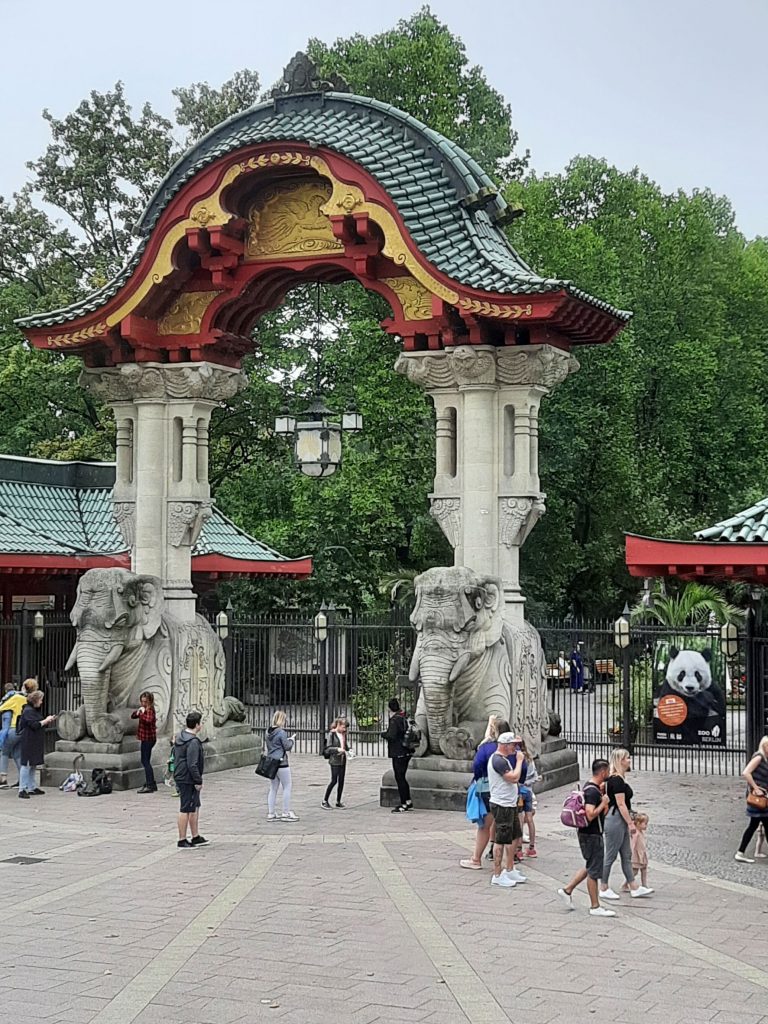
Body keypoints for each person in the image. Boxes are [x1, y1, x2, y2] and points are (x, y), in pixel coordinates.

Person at [557, 758, 616, 917]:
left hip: (589, 833)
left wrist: (603, 802)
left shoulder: (592, 788)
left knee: (591, 865)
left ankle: (567, 890)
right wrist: (603, 803)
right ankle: (595, 906)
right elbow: (590, 814)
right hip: (591, 834)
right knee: (593, 872)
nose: (609, 773)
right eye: (608, 771)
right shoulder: (592, 792)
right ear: (602, 772)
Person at [599, 749, 653, 900]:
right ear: (621, 760)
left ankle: (633, 886)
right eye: (627, 758)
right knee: (610, 855)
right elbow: (621, 804)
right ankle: (603, 886)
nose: (630, 760)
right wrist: (630, 823)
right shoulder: (616, 780)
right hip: (616, 819)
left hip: (619, 818)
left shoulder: (618, 778)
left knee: (626, 854)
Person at [460, 716, 509, 870]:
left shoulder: (487, 748)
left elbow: (477, 766)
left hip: (489, 789)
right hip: (510, 791)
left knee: (485, 826)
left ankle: (476, 859)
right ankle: (510, 864)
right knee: (506, 826)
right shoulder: (514, 748)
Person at [487, 732, 527, 888]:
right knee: (501, 839)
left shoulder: (503, 759)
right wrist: (519, 761)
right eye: (513, 745)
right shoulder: (498, 760)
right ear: (505, 745)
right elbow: (514, 777)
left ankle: (510, 868)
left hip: (510, 804)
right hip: (502, 804)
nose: (515, 748)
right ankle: (497, 874)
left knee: (515, 835)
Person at [173, 711, 208, 848]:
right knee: (186, 808)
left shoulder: (180, 737)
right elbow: (192, 764)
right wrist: (198, 780)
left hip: (182, 775)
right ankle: (182, 839)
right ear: (197, 725)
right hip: (187, 778)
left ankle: (195, 836)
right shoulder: (193, 742)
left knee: (194, 806)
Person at [734, 735, 768, 863]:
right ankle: (740, 852)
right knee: (756, 825)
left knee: (756, 825)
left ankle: (740, 852)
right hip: (758, 798)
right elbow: (746, 772)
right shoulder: (759, 757)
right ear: (763, 746)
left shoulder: (765, 758)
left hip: (763, 797)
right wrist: (756, 788)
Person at [17, 690, 56, 799]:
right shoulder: (28, 711)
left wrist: (46, 721)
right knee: (26, 764)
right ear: (35, 700)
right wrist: (46, 720)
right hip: (29, 740)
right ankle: (22, 788)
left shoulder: (32, 710)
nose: (41, 702)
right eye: (40, 700)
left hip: (34, 740)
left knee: (33, 764)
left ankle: (31, 787)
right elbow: (34, 725)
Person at [266, 710, 298, 822]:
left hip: (271, 762)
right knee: (287, 786)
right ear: (281, 720)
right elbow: (287, 747)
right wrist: (292, 740)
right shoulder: (281, 732)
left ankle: (271, 813)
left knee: (273, 788)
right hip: (282, 763)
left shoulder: (268, 732)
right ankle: (285, 813)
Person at [383, 698, 412, 813]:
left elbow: (391, 735)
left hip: (398, 752)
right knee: (402, 777)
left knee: (400, 778)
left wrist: (383, 734)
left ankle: (404, 803)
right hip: (406, 751)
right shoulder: (403, 717)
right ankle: (408, 801)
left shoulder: (395, 720)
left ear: (390, 708)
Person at [0, 681, 26, 788]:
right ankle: (22, 780)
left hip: (13, 727)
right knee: (17, 754)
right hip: (22, 730)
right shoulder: (26, 698)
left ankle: (3, 779)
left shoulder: (15, 698)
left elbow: (1, 707)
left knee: (4, 752)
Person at [131, 691, 157, 794]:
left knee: (145, 761)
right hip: (144, 738)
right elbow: (133, 716)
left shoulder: (150, 710)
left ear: (150, 701)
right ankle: (152, 783)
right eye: (142, 701)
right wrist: (138, 712)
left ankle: (150, 784)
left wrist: (142, 713)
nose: (143, 703)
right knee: (146, 761)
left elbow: (148, 720)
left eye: (145, 702)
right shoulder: (143, 709)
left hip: (149, 739)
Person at [322, 717, 350, 809]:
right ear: (338, 725)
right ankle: (325, 800)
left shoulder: (343, 734)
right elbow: (328, 748)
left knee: (341, 780)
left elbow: (345, 746)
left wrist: (349, 750)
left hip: (342, 759)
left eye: (345, 728)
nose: (344, 729)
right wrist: (337, 749)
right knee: (334, 780)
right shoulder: (332, 734)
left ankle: (338, 801)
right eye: (343, 727)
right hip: (334, 760)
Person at [518, 738, 539, 859]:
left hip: (519, 792)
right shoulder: (529, 759)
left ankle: (519, 849)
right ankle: (532, 848)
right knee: (530, 819)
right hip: (529, 791)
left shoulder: (517, 758)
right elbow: (535, 777)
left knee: (520, 819)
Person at [622, 813, 650, 890]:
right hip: (636, 854)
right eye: (645, 823)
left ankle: (644, 885)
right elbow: (633, 843)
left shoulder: (641, 832)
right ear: (638, 823)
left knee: (644, 869)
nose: (646, 826)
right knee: (634, 871)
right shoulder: (636, 833)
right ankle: (625, 884)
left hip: (641, 853)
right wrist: (630, 852)